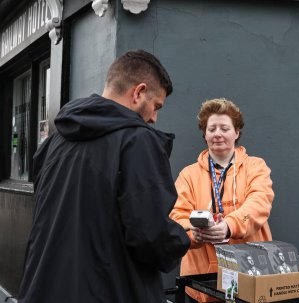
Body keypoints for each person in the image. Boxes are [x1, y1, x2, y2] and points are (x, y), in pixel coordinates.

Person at [18, 50, 190, 303]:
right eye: (156, 106)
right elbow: (150, 234)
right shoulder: (138, 141)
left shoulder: (55, 141)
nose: (154, 117)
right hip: (112, 290)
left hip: (45, 287)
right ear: (138, 92)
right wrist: (183, 238)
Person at [170, 98, 274, 302]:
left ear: (236, 133)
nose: (217, 134)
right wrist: (194, 234)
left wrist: (229, 226)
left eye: (224, 128)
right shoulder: (188, 175)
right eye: (212, 128)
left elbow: (259, 202)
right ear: (205, 134)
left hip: (251, 275)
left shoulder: (256, 167)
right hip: (200, 280)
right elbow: (176, 214)